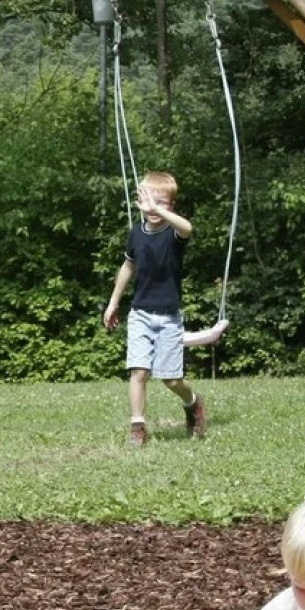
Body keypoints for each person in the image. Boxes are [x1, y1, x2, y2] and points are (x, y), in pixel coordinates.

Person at [102, 170, 207, 445]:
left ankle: (193, 403)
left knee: (171, 380)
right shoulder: (136, 234)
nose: (153, 208)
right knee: (138, 371)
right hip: (140, 314)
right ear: (139, 200)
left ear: (171, 206)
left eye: (161, 203)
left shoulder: (173, 234)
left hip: (169, 317)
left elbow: (188, 228)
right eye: (148, 201)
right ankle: (138, 427)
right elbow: (128, 266)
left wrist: (158, 209)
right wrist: (113, 302)